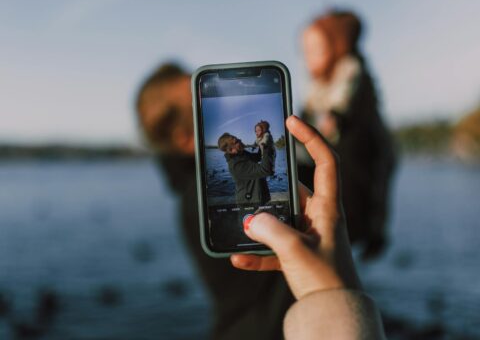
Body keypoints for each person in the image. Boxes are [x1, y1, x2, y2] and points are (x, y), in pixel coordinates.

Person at [135, 63, 294, 340]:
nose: (222, 97)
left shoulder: (200, 186)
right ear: (185, 138)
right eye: (202, 97)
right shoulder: (200, 198)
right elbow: (352, 213)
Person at [231, 115, 386, 340]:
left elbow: (265, 165)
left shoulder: (265, 142)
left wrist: (325, 293)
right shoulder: (259, 144)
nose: (254, 132)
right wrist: (337, 288)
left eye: (257, 129)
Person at [298, 9, 396, 260]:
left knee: (364, 204)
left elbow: (341, 103)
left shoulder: (350, 70)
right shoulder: (319, 84)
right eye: (304, 52)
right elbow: (309, 110)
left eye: (316, 51)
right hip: (344, 154)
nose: (307, 59)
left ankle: (370, 236)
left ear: (338, 45)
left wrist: (333, 117)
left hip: (365, 159)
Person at [218, 132, 273, 205]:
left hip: (259, 199)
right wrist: (266, 147)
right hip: (250, 204)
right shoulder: (236, 165)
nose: (240, 140)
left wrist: (261, 143)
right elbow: (266, 170)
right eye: (236, 141)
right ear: (231, 150)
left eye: (237, 139)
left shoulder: (241, 153)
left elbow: (257, 157)